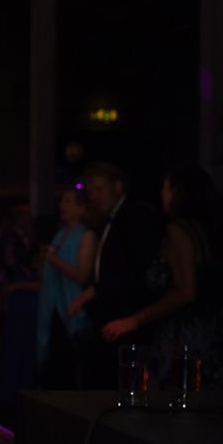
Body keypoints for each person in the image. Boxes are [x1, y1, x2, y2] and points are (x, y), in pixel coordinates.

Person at [100, 166, 223, 390]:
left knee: (178, 396)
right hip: (218, 329)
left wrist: (134, 320)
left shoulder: (178, 231)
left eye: (165, 187)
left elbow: (185, 291)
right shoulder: (211, 229)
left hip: (187, 334)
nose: (161, 193)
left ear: (179, 192)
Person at [68, 162, 163, 388]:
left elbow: (135, 269)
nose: (94, 197)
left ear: (118, 186)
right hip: (115, 319)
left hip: (128, 318)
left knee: (125, 383)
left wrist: (99, 293)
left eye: (99, 189)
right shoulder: (113, 218)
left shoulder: (134, 215)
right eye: (91, 191)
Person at [37, 186, 97, 388]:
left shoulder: (86, 235)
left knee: (69, 371)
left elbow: (82, 275)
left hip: (72, 308)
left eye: (68, 201)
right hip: (52, 308)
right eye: (61, 201)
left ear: (82, 208)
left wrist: (52, 260)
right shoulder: (60, 234)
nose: (61, 205)